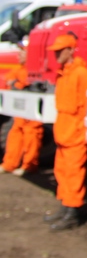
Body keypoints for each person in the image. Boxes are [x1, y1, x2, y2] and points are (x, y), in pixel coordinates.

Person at [43, 32, 87, 231]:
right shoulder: (64, 73)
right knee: (62, 172)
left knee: (73, 174)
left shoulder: (81, 74)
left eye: (60, 51)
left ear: (71, 50)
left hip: (74, 133)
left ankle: (72, 213)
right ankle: (64, 207)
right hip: (62, 132)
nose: (56, 55)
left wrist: (81, 131)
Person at [0, 41, 44, 176]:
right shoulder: (20, 68)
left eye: (22, 52)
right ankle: (9, 164)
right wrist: (15, 83)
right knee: (15, 135)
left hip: (31, 112)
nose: (18, 55)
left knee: (31, 135)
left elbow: (23, 84)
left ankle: (29, 166)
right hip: (19, 111)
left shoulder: (34, 71)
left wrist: (16, 84)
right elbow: (9, 81)